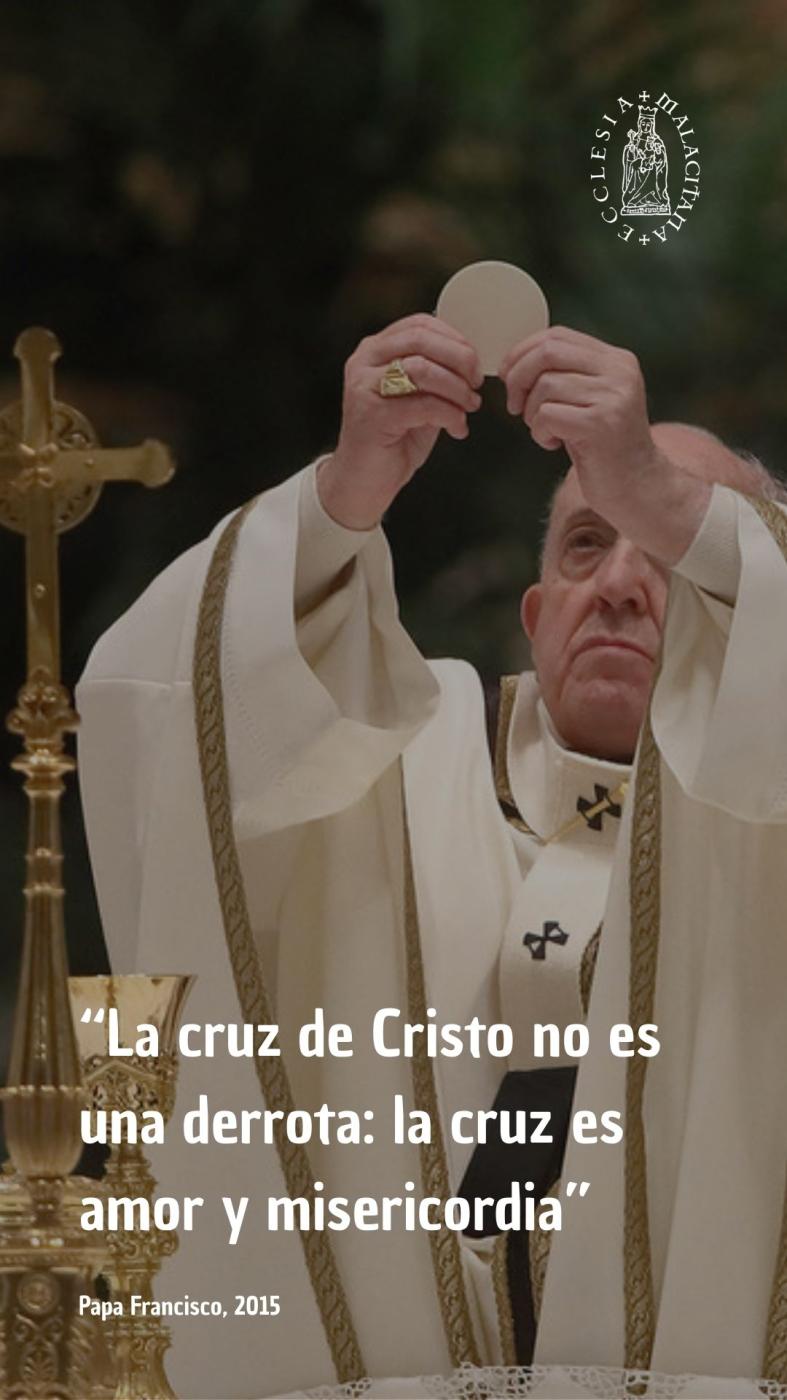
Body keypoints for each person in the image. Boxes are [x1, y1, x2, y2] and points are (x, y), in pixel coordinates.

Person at [76, 317, 787, 1400]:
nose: (624, 581)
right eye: (587, 542)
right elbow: (158, 705)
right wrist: (339, 500)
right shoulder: (388, 752)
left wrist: (670, 493)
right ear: (539, 612)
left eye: (673, 546)